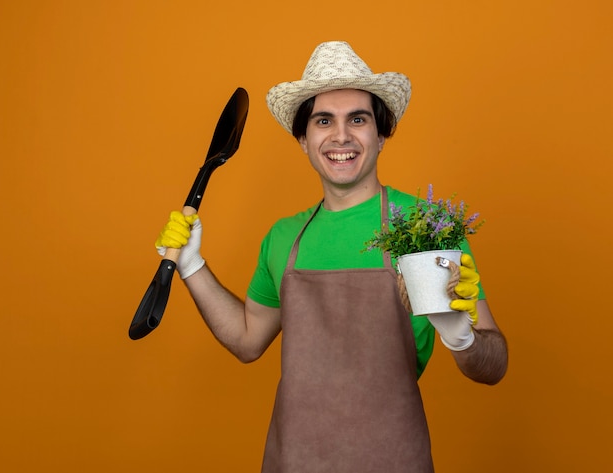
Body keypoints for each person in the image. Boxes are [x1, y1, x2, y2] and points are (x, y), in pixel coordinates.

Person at [155, 41, 508, 473]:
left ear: (381, 134)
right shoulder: (284, 236)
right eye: (324, 121)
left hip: (394, 459)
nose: (341, 136)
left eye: (357, 120)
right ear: (304, 140)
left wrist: (463, 337)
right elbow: (247, 341)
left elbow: (493, 367)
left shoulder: (425, 227)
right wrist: (193, 266)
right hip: (294, 461)